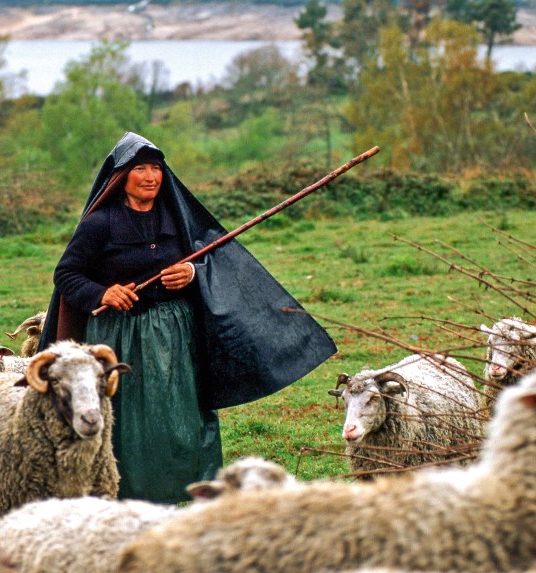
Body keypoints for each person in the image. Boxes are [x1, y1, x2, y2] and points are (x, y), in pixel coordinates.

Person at [39, 132, 337, 503]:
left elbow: (211, 259)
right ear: (121, 177)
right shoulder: (100, 223)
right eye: (140, 169)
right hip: (118, 338)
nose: (150, 176)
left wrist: (192, 275)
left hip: (175, 334)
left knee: (183, 413)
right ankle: (123, 492)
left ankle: (193, 488)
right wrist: (103, 293)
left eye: (156, 168)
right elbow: (67, 275)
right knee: (129, 419)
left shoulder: (177, 218)